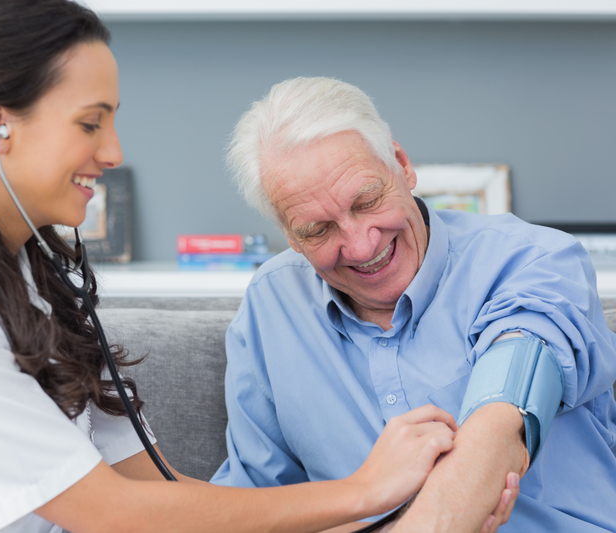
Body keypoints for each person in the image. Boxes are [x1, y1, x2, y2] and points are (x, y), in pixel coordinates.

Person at [0, 2, 521, 532]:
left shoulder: (19, 270)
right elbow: (115, 512)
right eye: (91, 122)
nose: (114, 150)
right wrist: (372, 489)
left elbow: (155, 488)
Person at [210, 75, 616, 532]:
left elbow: (501, 427)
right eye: (318, 230)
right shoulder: (271, 308)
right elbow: (256, 507)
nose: (361, 247)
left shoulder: (531, 262)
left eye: (367, 201)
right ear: (289, 234)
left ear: (401, 165)